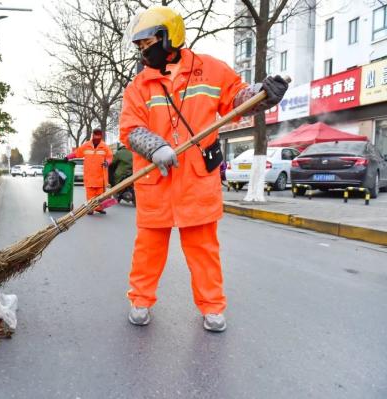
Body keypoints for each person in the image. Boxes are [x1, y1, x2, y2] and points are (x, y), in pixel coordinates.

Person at [119, 6, 288, 331]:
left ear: (170, 37)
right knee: (148, 252)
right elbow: (130, 128)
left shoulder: (211, 71)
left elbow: (240, 100)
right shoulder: (139, 86)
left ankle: (212, 307)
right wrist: (156, 148)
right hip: (157, 182)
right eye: (139, 47)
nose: (143, 51)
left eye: (147, 43)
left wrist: (264, 95)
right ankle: (140, 300)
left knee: (203, 252)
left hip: (197, 183)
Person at [66, 129, 113, 214]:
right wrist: (67, 157)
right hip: (90, 175)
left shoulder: (104, 147)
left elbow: (110, 157)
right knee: (90, 194)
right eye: (96, 135)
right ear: (93, 135)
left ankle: (99, 208)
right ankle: (90, 209)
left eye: (99, 136)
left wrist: (107, 162)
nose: (97, 137)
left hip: (100, 176)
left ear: (101, 136)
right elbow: (77, 153)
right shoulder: (86, 146)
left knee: (100, 194)